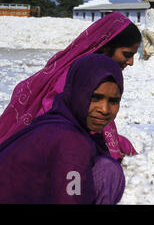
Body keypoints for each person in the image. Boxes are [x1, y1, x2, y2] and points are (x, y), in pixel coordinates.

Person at [0, 12, 141, 161]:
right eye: (127, 54)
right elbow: (52, 118)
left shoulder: (97, 71)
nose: (131, 62)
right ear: (107, 47)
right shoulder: (75, 76)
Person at [0, 54, 126, 204]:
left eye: (113, 101)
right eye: (95, 97)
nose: (104, 109)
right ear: (77, 93)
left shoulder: (53, 122)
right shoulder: (71, 142)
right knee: (108, 171)